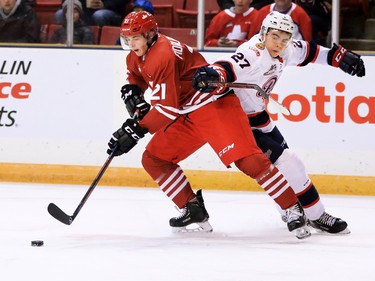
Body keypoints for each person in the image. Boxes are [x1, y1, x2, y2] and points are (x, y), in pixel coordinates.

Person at [108, 11, 312, 239]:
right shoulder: (138, 54)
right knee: (154, 159)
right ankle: (192, 208)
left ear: (151, 33)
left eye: (135, 37)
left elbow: (168, 108)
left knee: (250, 161)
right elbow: (136, 74)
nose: (131, 43)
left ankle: (292, 208)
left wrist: (135, 130)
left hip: (214, 105)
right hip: (188, 112)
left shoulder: (162, 53)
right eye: (127, 38)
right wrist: (133, 91)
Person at [192, 11, 365, 234]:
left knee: (285, 166)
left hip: (259, 118)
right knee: (291, 162)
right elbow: (229, 66)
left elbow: (310, 51)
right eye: (275, 37)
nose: (279, 44)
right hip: (239, 123)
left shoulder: (286, 48)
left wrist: (339, 57)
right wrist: (211, 73)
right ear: (263, 33)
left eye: (284, 39)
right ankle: (317, 215)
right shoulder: (253, 53)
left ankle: (288, 209)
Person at [54, 0, 131, 26]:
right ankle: (61, 40)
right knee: (60, 14)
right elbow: (65, 2)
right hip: (82, 11)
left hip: (111, 11)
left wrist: (105, 4)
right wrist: (81, 4)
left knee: (99, 15)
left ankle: (103, 45)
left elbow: (122, 2)